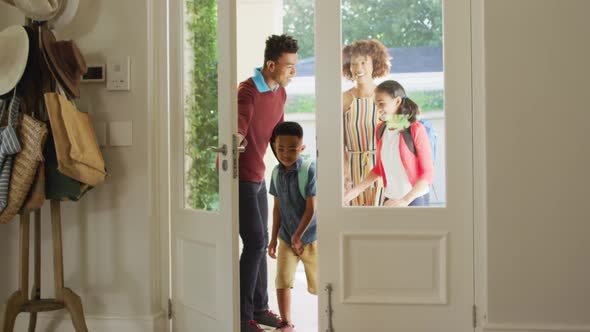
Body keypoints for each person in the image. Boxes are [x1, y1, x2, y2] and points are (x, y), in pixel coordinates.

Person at [237, 34, 299, 332]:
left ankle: (259, 308)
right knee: (256, 242)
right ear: (271, 64)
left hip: (259, 176)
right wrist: (235, 137)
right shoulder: (247, 91)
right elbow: (239, 122)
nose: (293, 72)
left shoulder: (280, 93)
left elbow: (278, 137)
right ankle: (242, 316)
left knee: (259, 242)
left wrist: (296, 165)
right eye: (289, 66)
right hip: (241, 177)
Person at [344, 80, 433, 207]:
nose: (378, 109)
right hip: (390, 199)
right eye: (376, 104)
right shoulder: (381, 130)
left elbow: (428, 173)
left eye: (381, 104)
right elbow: (380, 168)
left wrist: (405, 201)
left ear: (397, 101)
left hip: (414, 200)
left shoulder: (415, 129)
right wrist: (356, 191)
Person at [268, 121, 317, 332]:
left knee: (320, 283)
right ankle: (286, 323)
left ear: (302, 148)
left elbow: (311, 209)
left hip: (311, 239)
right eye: (280, 149)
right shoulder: (275, 173)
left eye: (292, 149)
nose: (286, 154)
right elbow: (277, 208)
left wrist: (299, 235)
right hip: (286, 238)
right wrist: (273, 238)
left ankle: (328, 318)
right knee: (282, 280)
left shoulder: (309, 170)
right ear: (274, 147)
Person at [342, 39, 391, 206]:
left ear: (374, 64)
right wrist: (345, 175)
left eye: (363, 62)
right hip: (353, 170)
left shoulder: (385, 96)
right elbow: (339, 143)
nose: (358, 68)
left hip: (382, 167)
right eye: (353, 63)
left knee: (380, 222)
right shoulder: (344, 99)